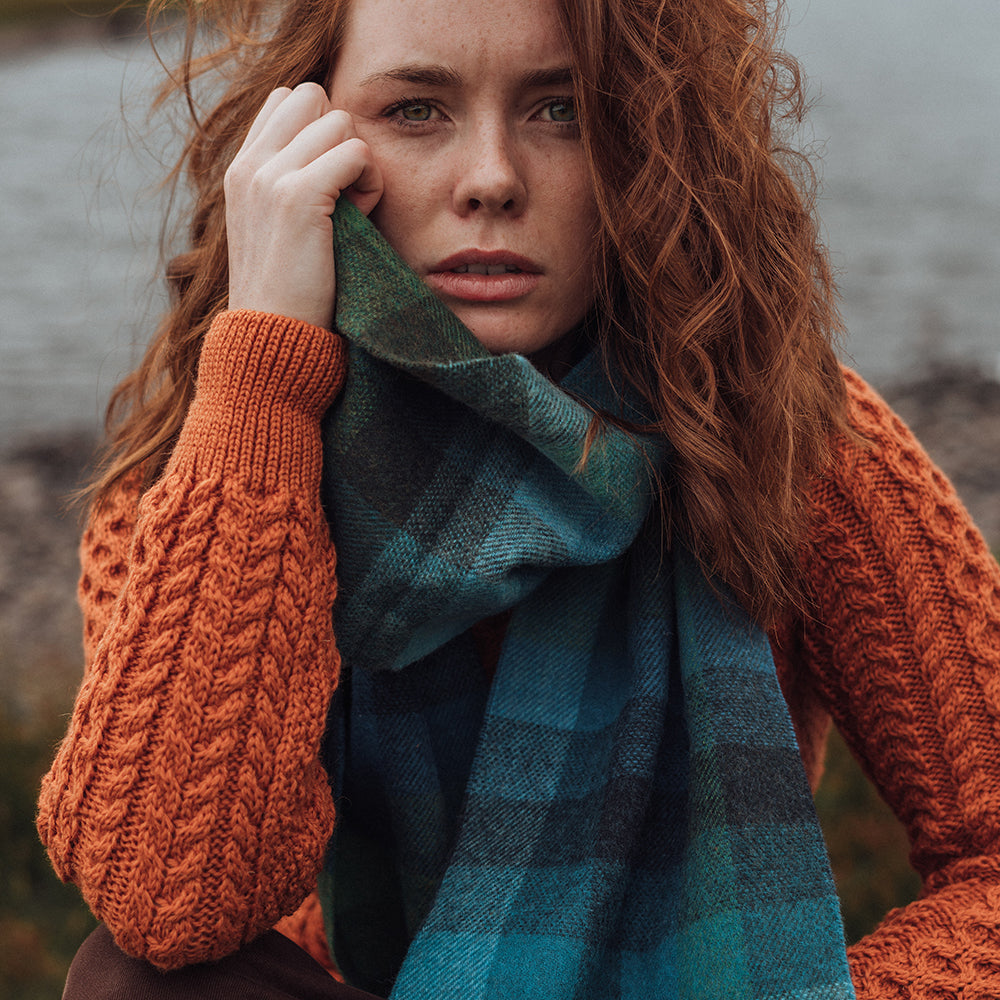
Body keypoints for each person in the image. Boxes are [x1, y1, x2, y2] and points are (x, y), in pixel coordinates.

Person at [36, 0, 1000, 996]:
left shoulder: (785, 430)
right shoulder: (213, 459)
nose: (490, 178)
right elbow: (162, 903)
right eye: (416, 109)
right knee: (130, 978)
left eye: (561, 110)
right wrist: (265, 371)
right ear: (305, 144)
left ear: (651, 146)